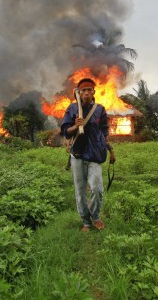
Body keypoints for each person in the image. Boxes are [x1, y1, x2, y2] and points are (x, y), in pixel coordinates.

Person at [61, 77, 116, 232]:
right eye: (83, 90)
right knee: (80, 190)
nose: (86, 93)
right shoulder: (72, 108)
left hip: (94, 154)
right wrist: (75, 126)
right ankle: (86, 221)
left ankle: (96, 216)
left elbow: (104, 131)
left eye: (89, 90)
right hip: (77, 154)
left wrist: (110, 150)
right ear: (79, 92)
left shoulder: (100, 109)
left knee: (97, 188)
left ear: (93, 92)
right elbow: (65, 131)